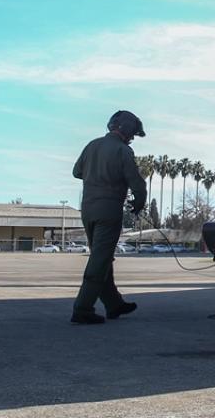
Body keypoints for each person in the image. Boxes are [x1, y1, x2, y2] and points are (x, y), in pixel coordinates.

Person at [70, 110, 148, 324]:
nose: (132, 138)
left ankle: (114, 304)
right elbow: (137, 183)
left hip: (88, 210)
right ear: (127, 131)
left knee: (102, 257)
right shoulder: (123, 151)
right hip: (109, 211)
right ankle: (82, 308)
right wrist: (139, 202)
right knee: (99, 260)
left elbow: (77, 171)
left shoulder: (92, 145)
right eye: (132, 135)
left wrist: (95, 172)